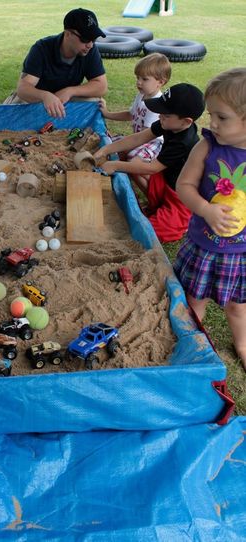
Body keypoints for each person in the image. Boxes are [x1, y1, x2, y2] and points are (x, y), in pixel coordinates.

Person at [173, 68, 246, 369]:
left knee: (239, 307)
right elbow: (184, 185)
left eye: (222, 117)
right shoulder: (207, 146)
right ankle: (189, 344)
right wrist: (206, 209)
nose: (212, 123)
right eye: (211, 115)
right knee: (193, 302)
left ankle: (242, 343)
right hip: (204, 247)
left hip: (241, 254)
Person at [93, 83, 205, 243]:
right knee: (135, 164)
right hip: (164, 179)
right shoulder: (169, 123)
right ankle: (158, 205)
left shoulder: (184, 142)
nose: (160, 117)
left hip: (180, 195)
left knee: (151, 231)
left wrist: (115, 165)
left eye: (165, 115)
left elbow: (153, 168)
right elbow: (139, 137)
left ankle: (180, 218)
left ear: (186, 121)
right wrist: (106, 150)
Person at [3, 8, 108, 119]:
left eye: (94, 39)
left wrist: (70, 91)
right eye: (85, 39)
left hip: (66, 99)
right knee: (8, 114)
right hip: (36, 98)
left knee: (96, 103)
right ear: (67, 34)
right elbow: (23, 89)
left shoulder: (90, 50)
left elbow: (101, 86)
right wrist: (45, 96)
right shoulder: (41, 48)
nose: (90, 45)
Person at [99, 53, 171, 190]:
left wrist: (125, 148)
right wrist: (107, 114)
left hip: (153, 142)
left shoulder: (156, 104)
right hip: (139, 139)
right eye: (137, 78)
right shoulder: (141, 95)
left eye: (144, 79)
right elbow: (130, 115)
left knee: (133, 162)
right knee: (112, 143)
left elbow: (146, 135)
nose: (138, 82)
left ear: (160, 82)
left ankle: (154, 195)